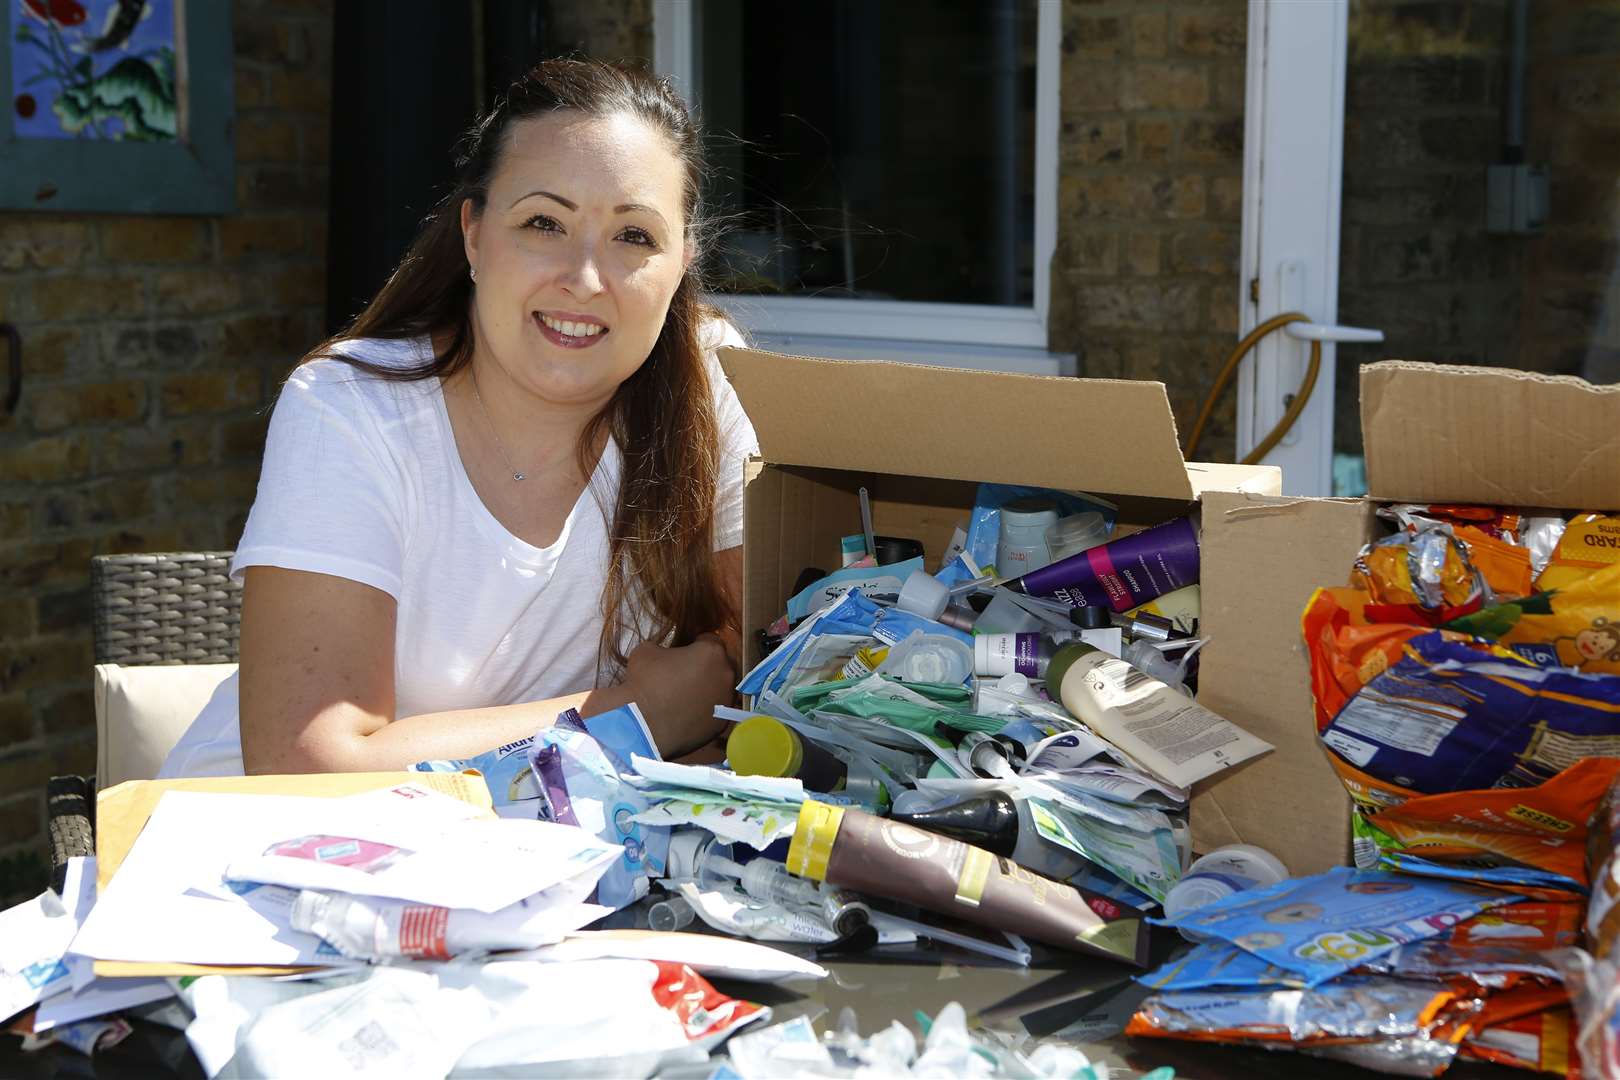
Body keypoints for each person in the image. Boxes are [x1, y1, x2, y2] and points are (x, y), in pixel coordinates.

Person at [161, 58, 755, 777]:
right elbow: (306, 768)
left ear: (683, 259)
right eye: (544, 223)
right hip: (276, 861)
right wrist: (630, 716)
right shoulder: (350, 409)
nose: (585, 278)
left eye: (635, 236)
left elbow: (752, 666)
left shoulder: (706, 380)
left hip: (553, 859)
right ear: (473, 234)